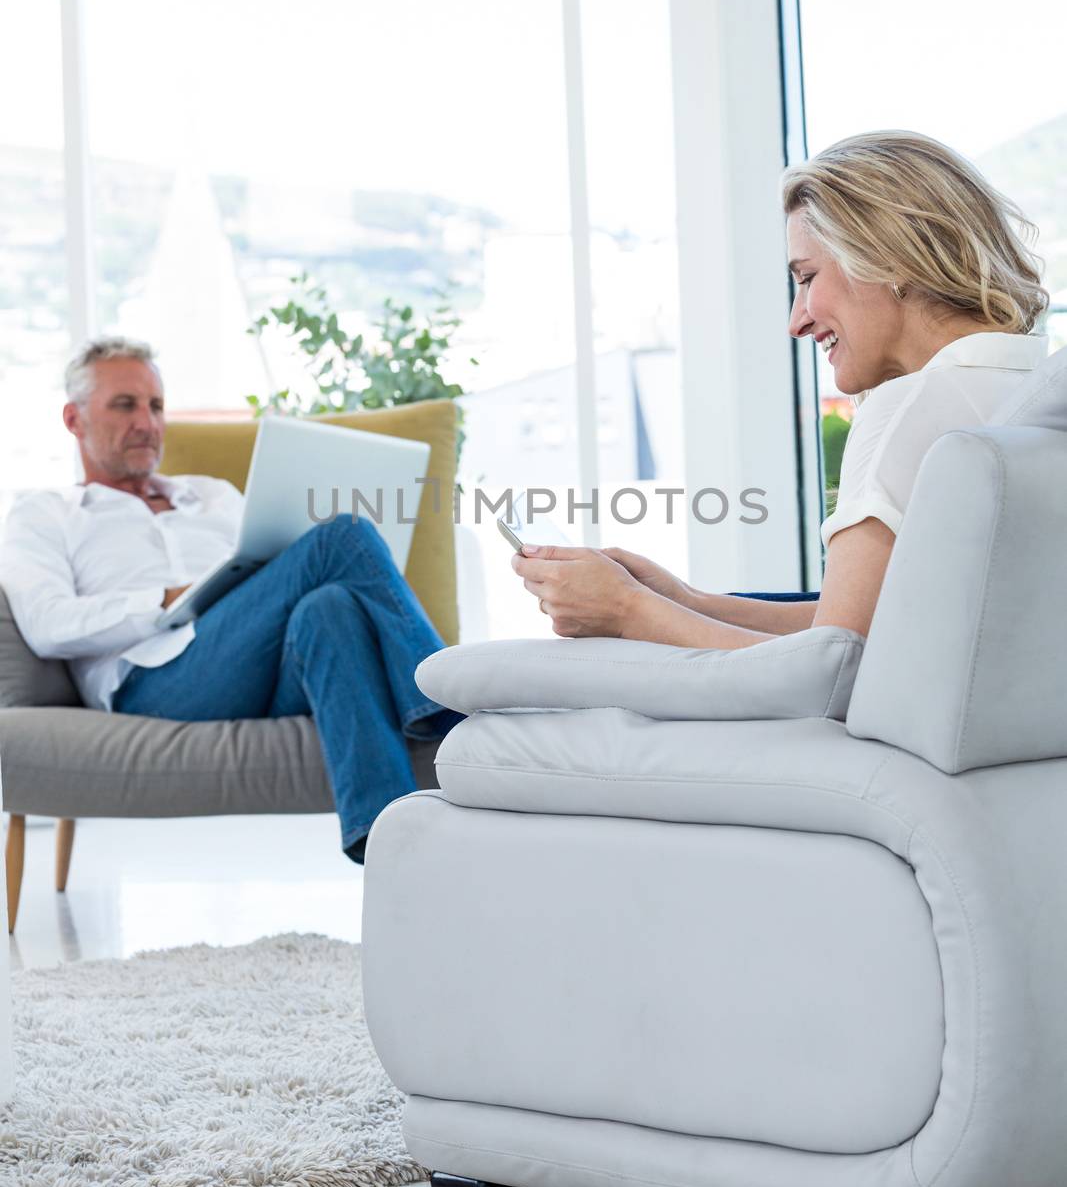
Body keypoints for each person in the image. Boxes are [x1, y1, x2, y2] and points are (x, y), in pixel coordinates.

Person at [512, 130, 1050, 644]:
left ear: (888, 260)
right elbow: (862, 628)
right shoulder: (1028, 391)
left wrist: (626, 611)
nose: (797, 322)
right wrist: (683, 601)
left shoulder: (907, 410)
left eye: (808, 278)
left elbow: (827, 671)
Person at [0, 338, 463, 862]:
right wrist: (165, 600)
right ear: (74, 418)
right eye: (125, 405)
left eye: (155, 406)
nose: (147, 423)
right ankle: (453, 711)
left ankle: (392, 851)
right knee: (343, 535)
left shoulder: (212, 495)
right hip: (155, 681)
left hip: (260, 663)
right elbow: (46, 623)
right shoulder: (46, 514)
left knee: (326, 608)